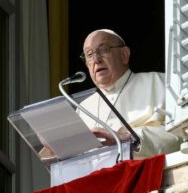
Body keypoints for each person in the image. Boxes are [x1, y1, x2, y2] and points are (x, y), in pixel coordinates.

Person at [76, 29, 181, 158]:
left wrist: (127, 139)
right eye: (89, 54)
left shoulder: (161, 83)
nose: (97, 59)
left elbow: (182, 135)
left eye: (103, 50)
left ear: (124, 55)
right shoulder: (83, 108)